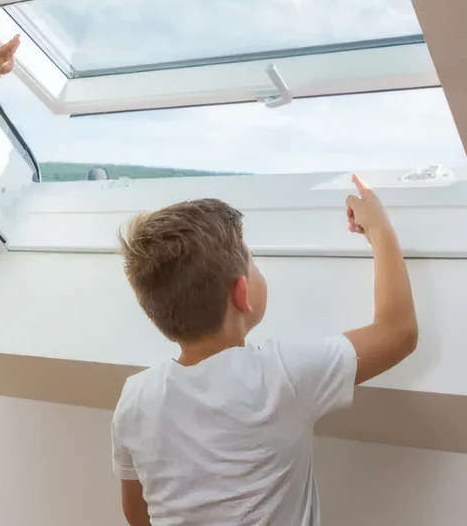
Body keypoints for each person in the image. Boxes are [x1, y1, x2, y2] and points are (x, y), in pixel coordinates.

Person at [111, 175, 418, 526]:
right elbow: (399, 332)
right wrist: (377, 227)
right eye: (253, 262)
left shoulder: (135, 398)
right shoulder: (281, 376)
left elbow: (137, 514)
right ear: (242, 293)